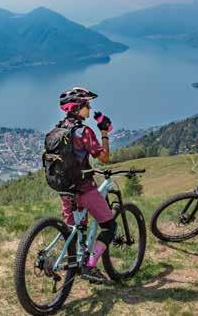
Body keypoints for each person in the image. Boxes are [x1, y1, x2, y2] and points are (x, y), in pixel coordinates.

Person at [57, 86, 115, 284]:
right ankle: (89, 266)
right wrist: (105, 132)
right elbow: (104, 158)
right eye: (87, 105)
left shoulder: (59, 129)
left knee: (76, 228)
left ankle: (75, 263)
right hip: (84, 189)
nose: (89, 109)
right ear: (77, 107)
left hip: (65, 190)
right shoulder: (84, 131)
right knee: (110, 226)